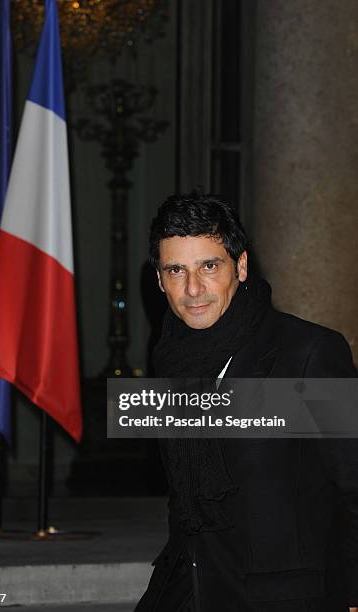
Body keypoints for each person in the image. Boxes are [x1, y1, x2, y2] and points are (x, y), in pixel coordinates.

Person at [134, 192, 358, 612]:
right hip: (188, 586)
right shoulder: (172, 359)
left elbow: (353, 483)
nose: (193, 288)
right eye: (176, 270)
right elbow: (182, 495)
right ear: (160, 280)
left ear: (240, 266)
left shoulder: (309, 351)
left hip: (283, 596)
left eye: (209, 266)